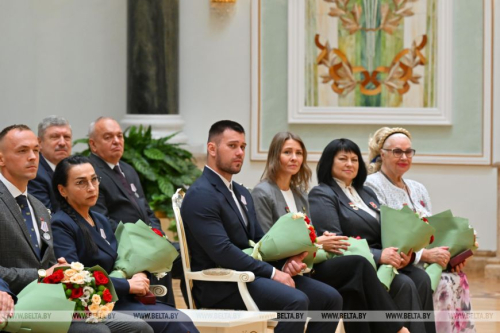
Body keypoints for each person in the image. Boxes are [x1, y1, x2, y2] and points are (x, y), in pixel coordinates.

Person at [181, 120, 342, 333]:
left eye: (243, 147)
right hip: (221, 283)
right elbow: (222, 251)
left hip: (252, 275)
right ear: (212, 148)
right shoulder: (201, 194)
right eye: (232, 146)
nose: (240, 152)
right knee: (295, 301)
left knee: (330, 299)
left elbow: (260, 240)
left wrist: (286, 264)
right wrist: (274, 273)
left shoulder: (241, 192)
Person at [252, 132, 407, 333]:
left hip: (308, 263)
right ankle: (397, 329)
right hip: (282, 269)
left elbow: (308, 235)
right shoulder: (263, 192)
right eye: (287, 152)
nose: (294, 158)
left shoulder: (299, 193)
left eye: (299, 153)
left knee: (354, 288)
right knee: (358, 265)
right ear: (275, 156)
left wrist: (318, 241)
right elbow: (266, 243)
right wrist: (317, 243)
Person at [51, 155, 198, 333]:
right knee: (171, 321)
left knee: (180, 318)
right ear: (62, 190)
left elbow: (120, 259)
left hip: (121, 299)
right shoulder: (61, 224)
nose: (91, 188)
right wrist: (128, 285)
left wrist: (139, 273)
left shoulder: (99, 219)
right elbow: (75, 279)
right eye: (81, 183)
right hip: (95, 306)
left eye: (94, 180)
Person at [309, 138, 435, 333]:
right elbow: (337, 243)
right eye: (343, 159)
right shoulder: (323, 193)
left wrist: (403, 252)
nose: (350, 164)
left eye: (354, 159)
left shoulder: (366, 192)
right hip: (355, 262)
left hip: (384, 260)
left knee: (421, 278)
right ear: (329, 162)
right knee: (405, 284)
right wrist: (379, 255)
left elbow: (386, 230)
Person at [0, 124, 113, 333]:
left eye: (36, 150)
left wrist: (59, 269)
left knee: (137, 326)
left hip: (51, 303)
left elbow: (46, 260)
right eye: (23, 151)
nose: (33, 157)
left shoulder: (39, 206)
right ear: (1, 159)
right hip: (12, 306)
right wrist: (43, 274)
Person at [365, 127, 475, 333]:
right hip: (396, 262)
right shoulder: (372, 185)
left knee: (456, 278)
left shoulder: (417, 187)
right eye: (397, 151)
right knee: (423, 281)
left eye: (409, 151)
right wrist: (424, 255)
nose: (404, 157)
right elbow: (383, 235)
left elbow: (429, 233)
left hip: (423, 261)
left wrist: (452, 256)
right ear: (383, 154)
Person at [87, 117, 179, 307]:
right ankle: (163, 314)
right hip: (122, 245)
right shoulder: (91, 173)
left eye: (119, 136)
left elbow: (147, 211)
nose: (116, 141)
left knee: (187, 253)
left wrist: (156, 233)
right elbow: (101, 219)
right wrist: (143, 241)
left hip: (145, 241)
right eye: (108, 137)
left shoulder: (128, 170)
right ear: (93, 145)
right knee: (171, 255)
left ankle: (175, 311)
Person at [28, 115, 73, 213]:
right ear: (39, 142)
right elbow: (45, 216)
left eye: (66, 137)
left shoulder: (73, 169)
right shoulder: (35, 173)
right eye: (55, 137)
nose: (62, 143)